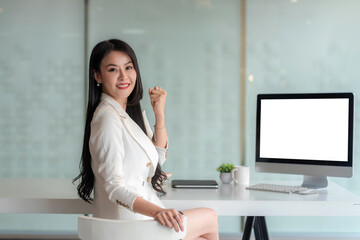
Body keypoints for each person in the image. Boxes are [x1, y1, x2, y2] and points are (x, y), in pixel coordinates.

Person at [73, 39, 219, 240]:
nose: (124, 76)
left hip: (139, 220)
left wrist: (159, 115)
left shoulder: (130, 113)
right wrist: (157, 212)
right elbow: (114, 187)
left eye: (128, 67)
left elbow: (157, 159)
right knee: (209, 218)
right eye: (113, 70)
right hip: (128, 225)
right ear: (97, 75)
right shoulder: (107, 118)